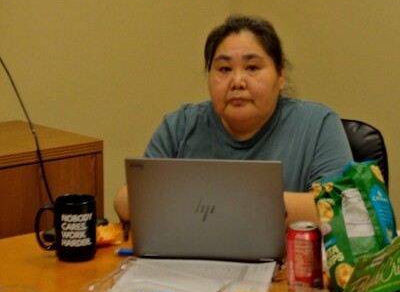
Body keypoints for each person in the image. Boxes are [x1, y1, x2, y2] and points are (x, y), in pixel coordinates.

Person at [114, 14, 353, 226]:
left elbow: (341, 209)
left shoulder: (318, 124)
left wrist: (209, 204)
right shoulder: (180, 126)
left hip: (286, 270)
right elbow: (125, 202)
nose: (237, 81)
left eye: (252, 67)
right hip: (191, 265)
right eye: (225, 69)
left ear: (280, 76)